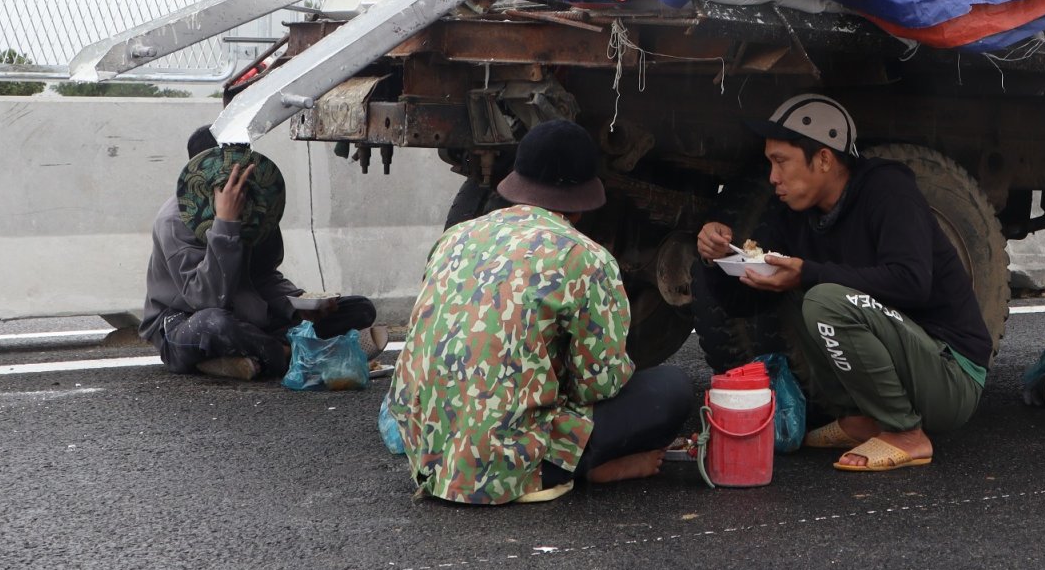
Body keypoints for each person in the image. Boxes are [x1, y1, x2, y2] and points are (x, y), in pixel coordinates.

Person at [387, 120, 694, 505]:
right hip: (507, 467)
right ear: (582, 203)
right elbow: (600, 385)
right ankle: (586, 466)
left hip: (429, 452)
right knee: (672, 389)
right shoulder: (585, 257)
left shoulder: (457, 236)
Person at [692, 94, 991, 473]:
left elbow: (913, 283)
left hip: (951, 375)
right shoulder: (795, 216)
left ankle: (906, 435)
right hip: (910, 362)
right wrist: (716, 260)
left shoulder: (888, 192)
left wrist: (809, 273)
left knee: (822, 298)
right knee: (803, 291)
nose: (772, 178)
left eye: (781, 162)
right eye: (770, 163)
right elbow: (744, 306)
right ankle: (862, 419)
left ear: (824, 159)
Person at [141, 127, 379, 381]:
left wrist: (296, 306)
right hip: (186, 321)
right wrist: (225, 223)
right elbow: (206, 298)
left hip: (250, 315)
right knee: (215, 324)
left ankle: (243, 358)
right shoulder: (174, 221)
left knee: (360, 309)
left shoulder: (257, 203)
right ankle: (290, 355)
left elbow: (264, 276)